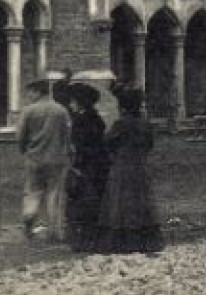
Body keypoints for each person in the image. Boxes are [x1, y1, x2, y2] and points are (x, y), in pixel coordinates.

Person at [97, 85, 164, 255]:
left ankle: (123, 241)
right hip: (140, 166)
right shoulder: (145, 124)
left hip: (122, 167)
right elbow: (150, 145)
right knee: (142, 201)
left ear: (123, 107)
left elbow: (107, 142)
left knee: (121, 203)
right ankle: (146, 239)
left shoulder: (120, 125)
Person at [16, 77, 71, 241]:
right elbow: (67, 135)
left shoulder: (28, 111)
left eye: (31, 92)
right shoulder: (61, 111)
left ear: (38, 92)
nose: (29, 96)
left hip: (34, 158)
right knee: (54, 193)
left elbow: (20, 135)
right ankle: (54, 231)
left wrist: (23, 149)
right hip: (57, 159)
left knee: (33, 191)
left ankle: (28, 222)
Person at [65, 80, 109, 253]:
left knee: (84, 203)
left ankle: (85, 240)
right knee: (92, 201)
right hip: (98, 164)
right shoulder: (94, 118)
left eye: (73, 101)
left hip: (88, 166)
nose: (70, 104)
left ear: (80, 102)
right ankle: (91, 237)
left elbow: (83, 146)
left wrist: (77, 165)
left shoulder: (82, 120)